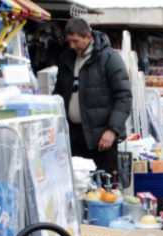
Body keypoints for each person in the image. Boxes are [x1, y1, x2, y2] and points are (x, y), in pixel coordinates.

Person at [53, 18, 132, 177]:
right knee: (79, 185)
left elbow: (124, 97)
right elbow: (59, 94)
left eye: (75, 41)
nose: (72, 46)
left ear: (88, 37)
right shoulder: (67, 59)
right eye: (69, 41)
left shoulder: (110, 59)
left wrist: (112, 129)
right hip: (74, 137)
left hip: (102, 139)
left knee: (104, 188)